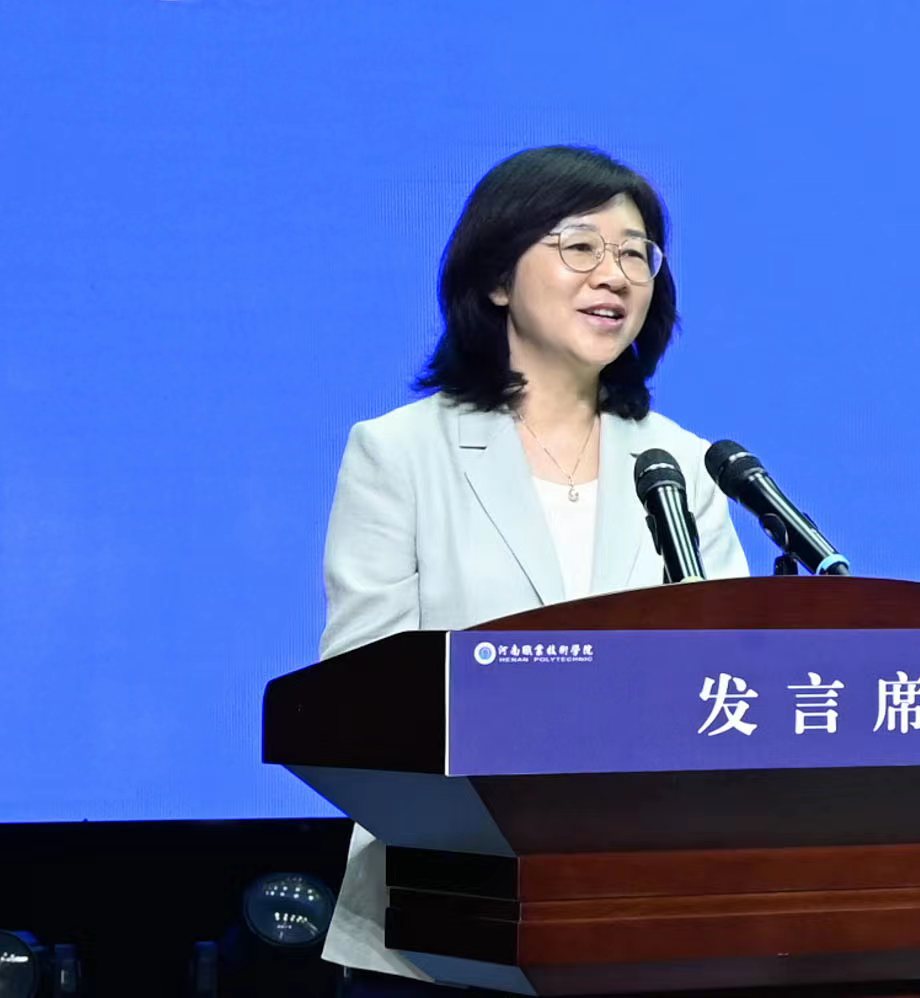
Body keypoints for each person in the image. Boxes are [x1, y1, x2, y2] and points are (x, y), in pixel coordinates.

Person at [317, 145, 750, 993]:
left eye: (636, 254)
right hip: (440, 915)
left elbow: (726, 684)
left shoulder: (686, 464)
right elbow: (360, 689)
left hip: (643, 914)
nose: (614, 275)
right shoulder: (400, 453)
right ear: (496, 279)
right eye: (580, 246)